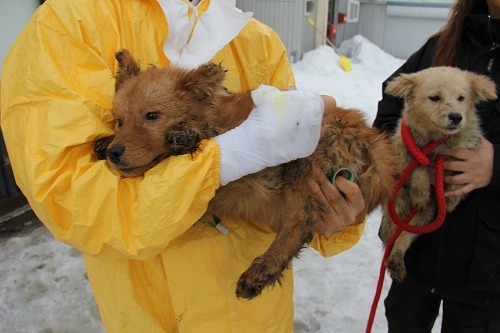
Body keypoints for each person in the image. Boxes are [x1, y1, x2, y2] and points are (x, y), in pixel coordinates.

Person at [1, 0, 366, 332]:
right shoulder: (71, 20)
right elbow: (68, 195)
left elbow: (293, 170)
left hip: (256, 317)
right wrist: (223, 159)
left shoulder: (256, 39)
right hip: (150, 313)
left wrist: (334, 214)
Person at [374, 0, 500, 331]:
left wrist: (495, 165)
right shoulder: (443, 45)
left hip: (488, 272)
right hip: (418, 255)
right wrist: (410, 157)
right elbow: (388, 114)